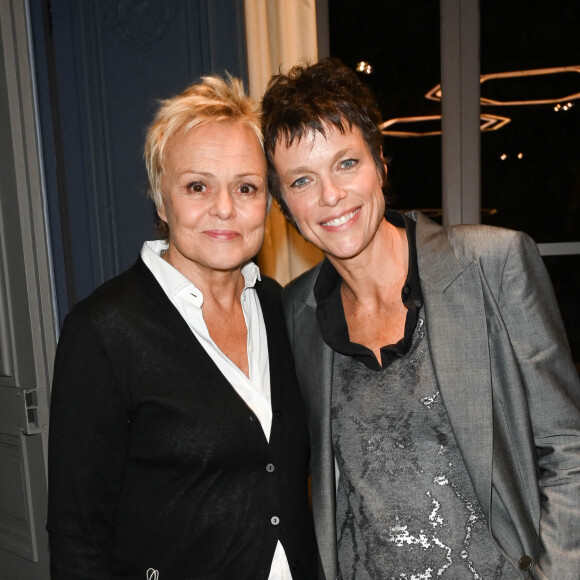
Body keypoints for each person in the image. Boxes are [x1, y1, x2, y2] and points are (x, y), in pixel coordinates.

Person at [261, 57, 580, 580]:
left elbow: (569, 450)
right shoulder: (295, 314)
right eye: (301, 181)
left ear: (380, 162)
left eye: (346, 163)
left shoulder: (491, 266)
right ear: (284, 204)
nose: (331, 196)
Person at [47, 74, 319, 579]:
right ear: (160, 200)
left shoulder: (285, 309)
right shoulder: (104, 331)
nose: (224, 209)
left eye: (246, 187)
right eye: (198, 186)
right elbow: (78, 535)